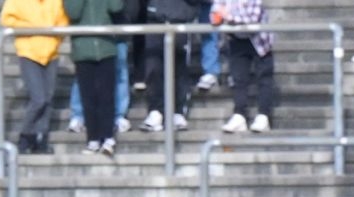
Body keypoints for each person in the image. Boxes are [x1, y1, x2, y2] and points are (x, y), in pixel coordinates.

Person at [2, 0, 66, 155]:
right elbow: (7, 19)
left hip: (51, 53)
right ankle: (26, 136)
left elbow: (63, 21)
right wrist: (31, 28)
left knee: (48, 99)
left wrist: (55, 39)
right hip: (28, 53)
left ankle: (41, 138)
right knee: (39, 99)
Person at [65, 0, 126, 155]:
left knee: (107, 96)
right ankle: (92, 139)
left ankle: (108, 137)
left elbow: (116, 7)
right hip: (83, 49)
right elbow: (73, 12)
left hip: (106, 48)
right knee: (88, 97)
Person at [139, 0, 201, 132]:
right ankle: (156, 110)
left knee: (179, 68)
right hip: (155, 18)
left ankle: (178, 111)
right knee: (153, 66)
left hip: (180, 19)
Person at [214, 0, 274, 135]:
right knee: (238, 78)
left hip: (260, 40)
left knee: (264, 77)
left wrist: (228, 16)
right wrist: (219, 15)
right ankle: (239, 115)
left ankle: (264, 115)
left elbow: (251, 20)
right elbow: (216, 9)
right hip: (237, 38)